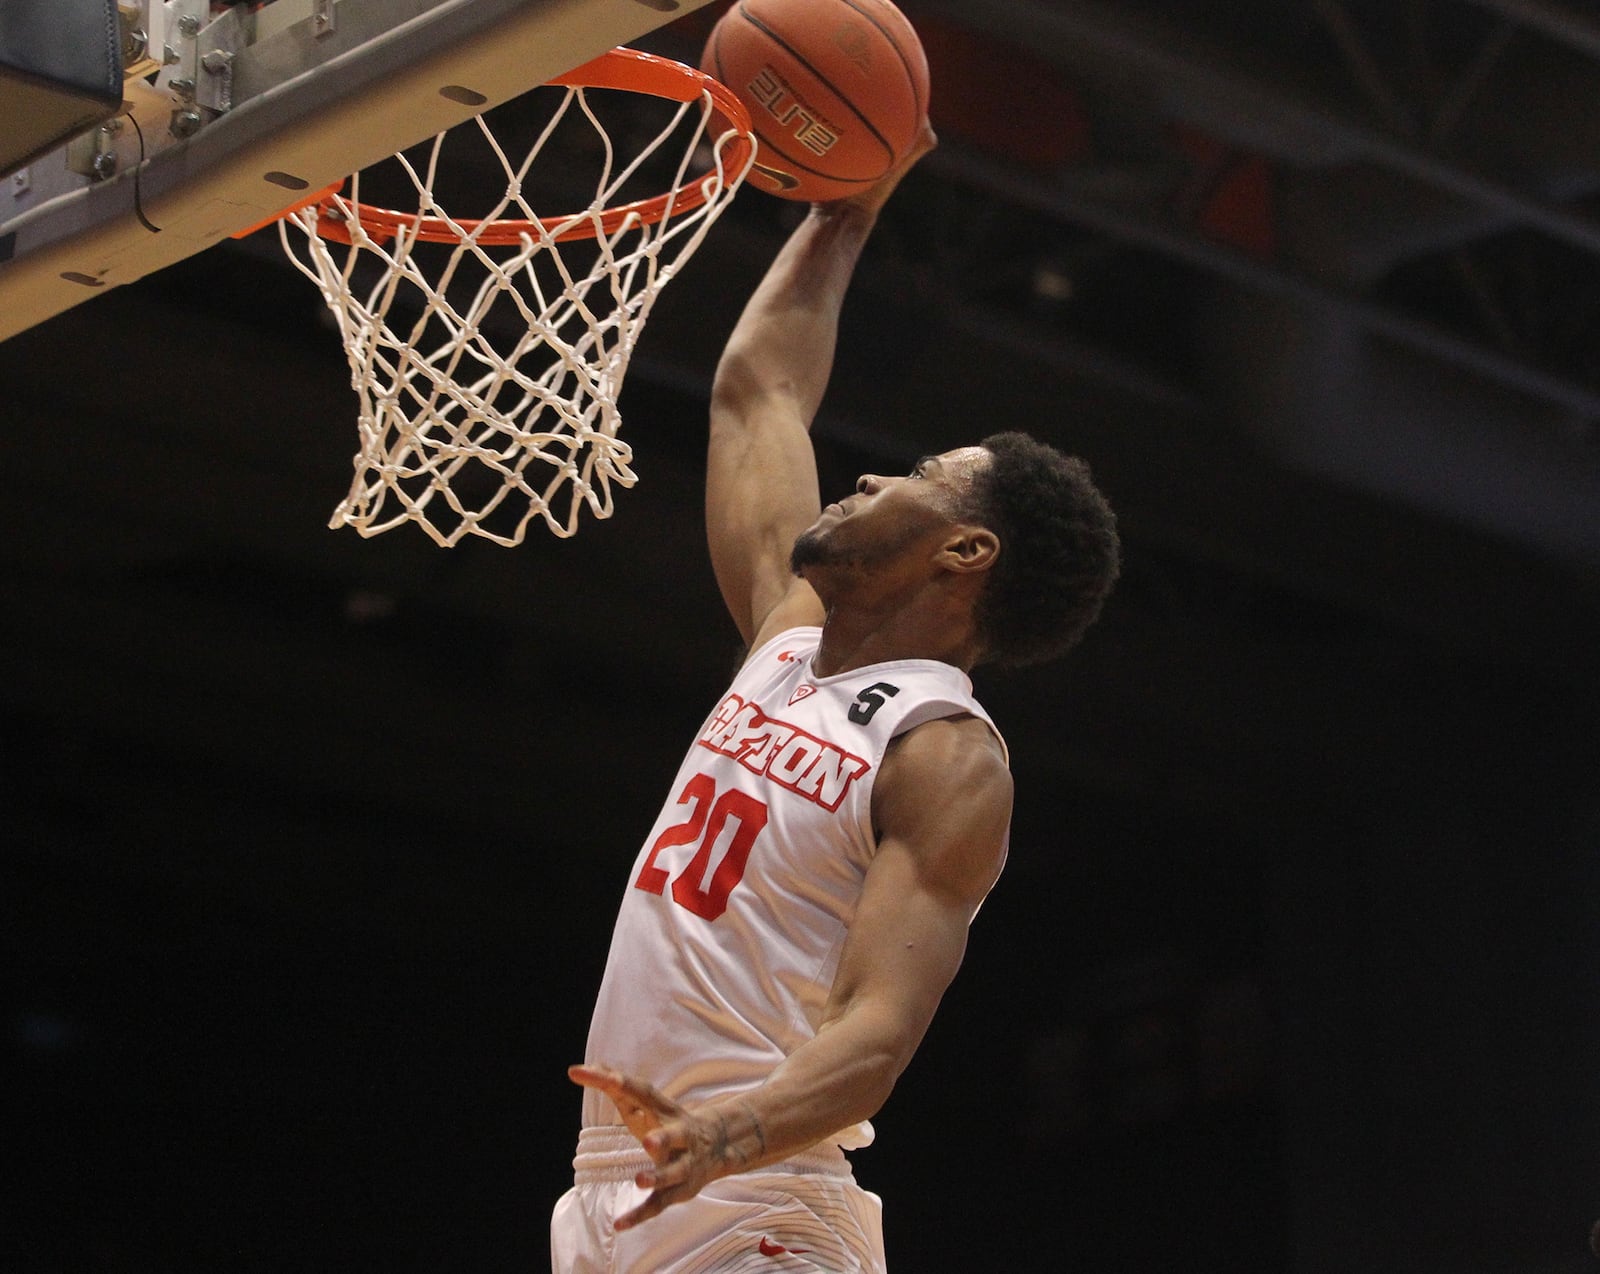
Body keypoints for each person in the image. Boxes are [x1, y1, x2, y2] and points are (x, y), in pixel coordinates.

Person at [552, 126, 1120, 1272]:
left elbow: (877, 1030)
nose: (870, 476)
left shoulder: (945, 753)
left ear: (963, 551)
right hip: (613, 1184)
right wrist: (844, 213)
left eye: (917, 475)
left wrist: (727, 1132)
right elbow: (758, 392)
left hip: (756, 1184)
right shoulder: (788, 633)